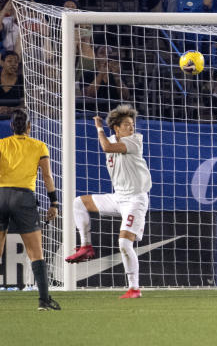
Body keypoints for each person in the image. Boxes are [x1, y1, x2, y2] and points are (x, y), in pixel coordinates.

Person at [63, 104, 151, 299]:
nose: (132, 127)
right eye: (127, 124)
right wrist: (103, 129)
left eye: (132, 124)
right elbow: (108, 144)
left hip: (135, 199)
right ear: (117, 128)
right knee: (78, 202)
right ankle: (86, 246)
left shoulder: (135, 141)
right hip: (118, 197)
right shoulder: (112, 138)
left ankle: (134, 288)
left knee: (124, 243)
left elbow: (107, 147)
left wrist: (99, 127)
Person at [0, 109, 60, 311]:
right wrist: (54, 203)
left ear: (11, 126)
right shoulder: (39, 146)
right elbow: (47, 177)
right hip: (23, 198)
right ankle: (43, 300)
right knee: (35, 253)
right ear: (29, 127)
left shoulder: (0, 143)